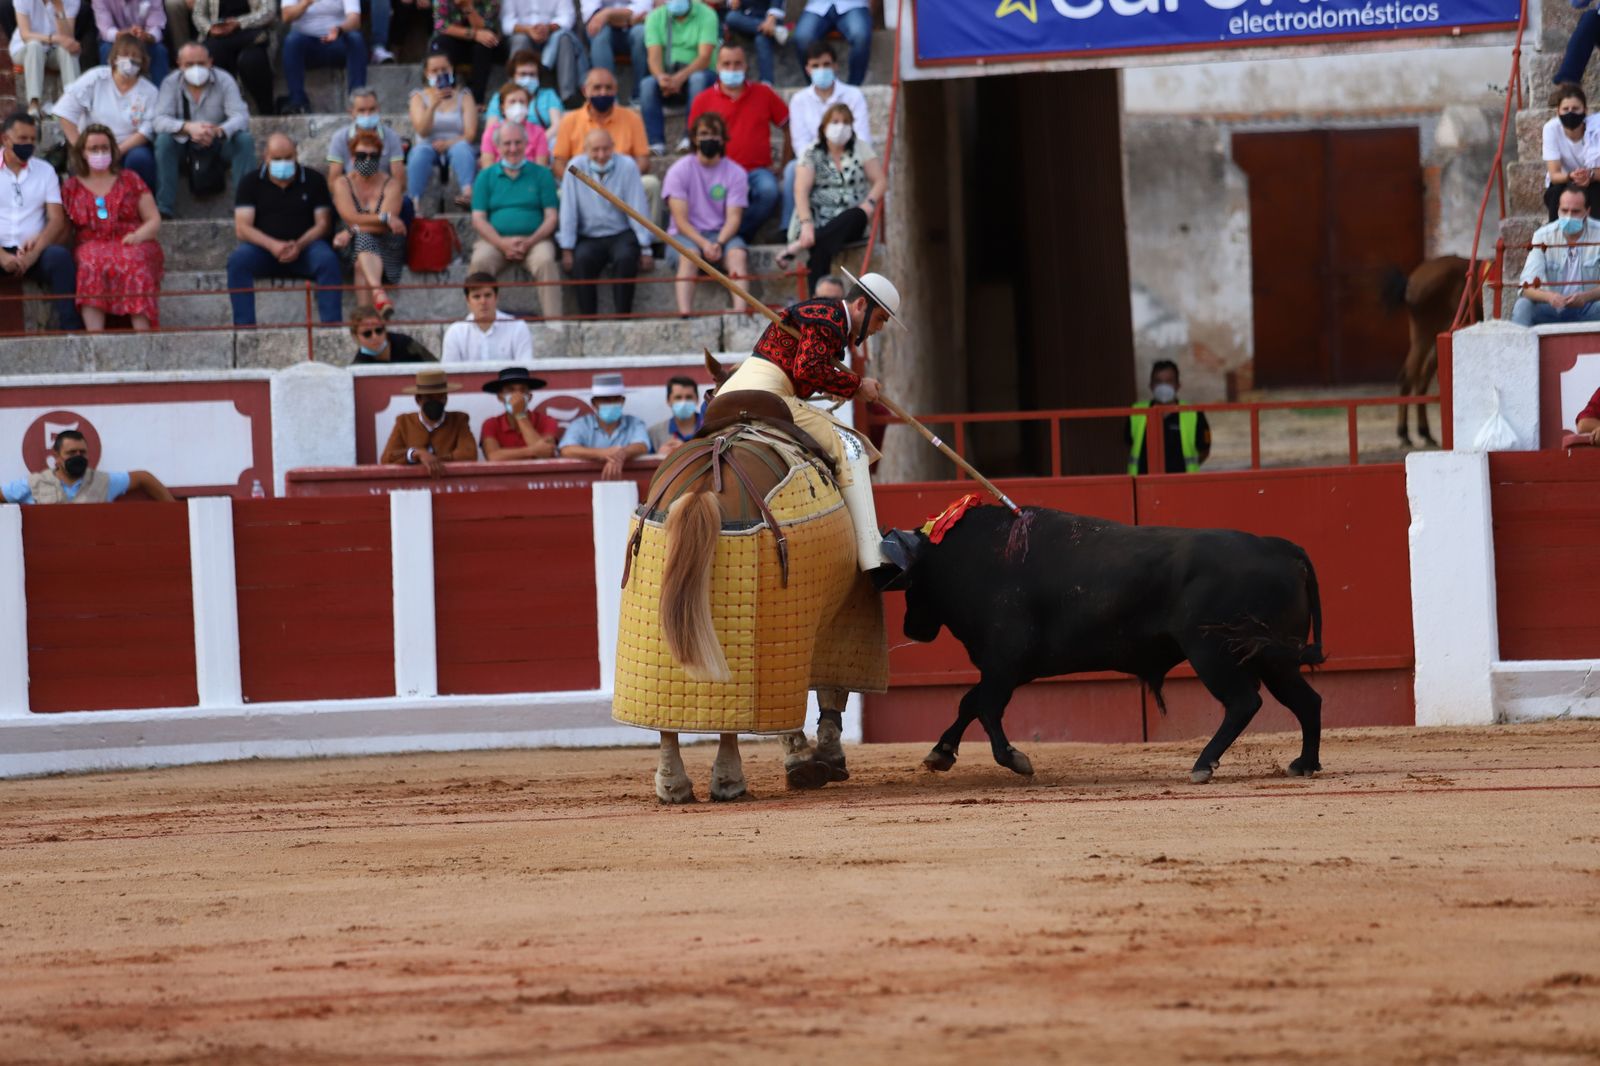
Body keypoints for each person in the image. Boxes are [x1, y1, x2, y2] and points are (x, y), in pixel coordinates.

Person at [715, 268, 898, 570]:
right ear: (861, 305)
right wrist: (856, 386)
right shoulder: (831, 320)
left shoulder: (823, 314)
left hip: (734, 390)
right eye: (880, 318)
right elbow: (807, 370)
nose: (879, 328)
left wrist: (837, 386)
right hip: (767, 394)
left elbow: (802, 371)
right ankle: (871, 552)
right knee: (850, 445)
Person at [227, 132, 342, 326]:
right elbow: (242, 228)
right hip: (263, 251)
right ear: (266, 157)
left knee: (327, 260)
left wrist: (298, 245)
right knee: (238, 262)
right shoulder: (250, 182)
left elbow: (323, 224)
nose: (283, 162)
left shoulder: (314, 180)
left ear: (296, 154)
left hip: (306, 249)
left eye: (288, 157)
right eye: (277, 158)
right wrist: (273, 245)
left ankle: (332, 327)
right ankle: (244, 328)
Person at [61, 125, 164, 331]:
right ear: (83, 152)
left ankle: (144, 335)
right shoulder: (71, 187)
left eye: (104, 148)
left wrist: (138, 236)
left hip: (132, 240)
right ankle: (95, 339)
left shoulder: (130, 180)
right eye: (94, 149)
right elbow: (64, 226)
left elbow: (153, 219)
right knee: (91, 262)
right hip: (91, 243)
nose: (100, 153)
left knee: (133, 260)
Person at [779, 102, 883, 291]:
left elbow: (880, 181)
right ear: (824, 126)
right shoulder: (812, 152)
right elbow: (800, 190)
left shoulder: (861, 148)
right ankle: (817, 304)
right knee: (821, 248)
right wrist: (806, 224)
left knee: (856, 214)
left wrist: (869, 202)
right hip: (820, 219)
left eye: (846, 122)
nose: (840, 126)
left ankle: (798, 247)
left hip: (852, 220)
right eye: (835, 121)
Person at [689, 44, 786, 240]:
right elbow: (694, 138)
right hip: (718, 171)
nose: (732, 69)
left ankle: (735, 234)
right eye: (726, 64)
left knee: (769, 191)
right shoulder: (702, 100)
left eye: (737, 64)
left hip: (756, 171)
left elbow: (788, 125)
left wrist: (784, 164)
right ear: (717, 66)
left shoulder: (764, 94)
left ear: (746, 66)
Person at [469, 121, 562, 321]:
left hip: (535, 240)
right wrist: (502, 243)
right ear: (497, 147)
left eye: (518, 143)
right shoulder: (485, 177)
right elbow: (478, 219)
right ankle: (479, 323)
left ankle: (556, 324)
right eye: (507, 143)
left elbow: (551, 217)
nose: (513, 149)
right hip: (495, 241)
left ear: (526, 144)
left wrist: (530, 241)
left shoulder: (542, 174)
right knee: (480, 262)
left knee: (546, 261)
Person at [0, 111, 82, 331]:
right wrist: (2, 256)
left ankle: (73, 332)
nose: (28, 144)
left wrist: (33, 254)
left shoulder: (45, 171)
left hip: (33, 251)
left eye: (32, 139)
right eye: (22, 139)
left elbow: (56, 219)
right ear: (5, 139)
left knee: (60, 258)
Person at [152, 42, 254, 218]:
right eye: (189, 64)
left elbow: (241, 116)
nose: (196, 69)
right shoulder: (170, 83)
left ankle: (245, 206)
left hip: (217, 143)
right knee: (163, 141)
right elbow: (158, 120)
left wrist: (218, 131)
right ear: (179, 64)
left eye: (201, 63)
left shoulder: (224, 80)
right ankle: (164, 207)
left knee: (244, 140)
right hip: (185, 145)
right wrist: (188, 127)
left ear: (210, 62)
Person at [558, 128, 652, 316]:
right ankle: (588, 319)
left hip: (620, 233)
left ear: (613, 147)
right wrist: (566, 248)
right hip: (589, 235)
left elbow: (637, 207)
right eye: (595, 150)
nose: (601, 155)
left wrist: (645, 247)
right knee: (582, 261)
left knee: (626, 258)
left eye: (605, 149)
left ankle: (623, 316)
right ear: (586, 150)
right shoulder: (575, 167)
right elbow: (568, 210)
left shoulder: (627, 165)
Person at [662, 111, 748, 316]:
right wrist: (703, 244)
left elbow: (734, 217)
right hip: (685, 236)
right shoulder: (678, 170)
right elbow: (680, 221)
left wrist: (718, 242)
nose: (709, 139)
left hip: (721, 234)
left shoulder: (736, 172)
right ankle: (685, 314)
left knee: (737, 254)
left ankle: (740, 313)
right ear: (694, 138)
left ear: (723, 138)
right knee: (690, 256)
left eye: (715, 134)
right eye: (704, 134)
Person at [53, 34, 160, 194]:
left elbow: (146, 129)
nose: (130, 61)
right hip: (92, 144)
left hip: (129, 147)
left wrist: (119, 150)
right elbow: (65, 112)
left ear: (143, 61)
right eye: (125, 55)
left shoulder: (150, 91)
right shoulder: (95, 78)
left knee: (140, 159)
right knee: (81, 164)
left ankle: (139, 206)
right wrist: (80, 147)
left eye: (135, 56)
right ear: (114, 57)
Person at [551, 66, 660, 221]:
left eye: (608, 88)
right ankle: (570, 243)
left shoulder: (632, 118)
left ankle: (651, 242)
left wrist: (622, 181)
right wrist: (583, 183)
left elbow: (643, 160)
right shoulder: (569, 121)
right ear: (584, 91)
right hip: (584, 184)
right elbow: (559, 164)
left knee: (651, 184)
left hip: (623, 184)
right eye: (597, 88)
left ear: (616, 90)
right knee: (560, 195)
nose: (603, 92)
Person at [783, 39, 868, 229]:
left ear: (836, 66)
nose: (821, 70)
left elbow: (862, 137)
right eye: (815, 65)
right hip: (813, 161)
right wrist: (821, 163)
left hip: (848, 158)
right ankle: (790, 229)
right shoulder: (799, 100)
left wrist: (838, 159)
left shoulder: (853, 96)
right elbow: (800, 143)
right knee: (792, 171)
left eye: (826, 64)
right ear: (807, 69)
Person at [331, 126, 408, 317]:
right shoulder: (342, 183)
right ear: (352, 157)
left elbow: (383, 227)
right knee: (363, 242)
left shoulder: (390, 184)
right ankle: (378, 295)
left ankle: (366, 316)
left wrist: (351, 230)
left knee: (361, 256)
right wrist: (383, 217)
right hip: (350, 244)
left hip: (384, 242)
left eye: (373, 156)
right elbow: (351, 216)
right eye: (361, 155)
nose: (367, 160)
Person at [2, 428, 175, 503]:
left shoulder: (104, 481)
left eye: (82, 452)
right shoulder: (33, 484)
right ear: (56, 457)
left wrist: (176, 514)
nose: (78, 457)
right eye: (71, 453)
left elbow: (143, 477)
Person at [1512, 186, 1600, 327]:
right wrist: (1550, 297)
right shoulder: (1543, 236)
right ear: (1558, 210)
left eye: (1576, 211)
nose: (1569, 216)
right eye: (1564, 210)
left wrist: (1585, 297)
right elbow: (1526, 287)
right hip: (1551, 308)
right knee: (1523, 306)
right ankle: (1518, 349)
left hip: (1589, 308)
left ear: (1587, 211)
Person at [640, 0, 716, 156]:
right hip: (668, 77)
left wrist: (680, 77)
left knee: (697, 79)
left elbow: (704, 57)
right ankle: (655, 143)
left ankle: (690, 137)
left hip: (700, 75)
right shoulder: (655, 17)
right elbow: (653, 57)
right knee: (647, 84)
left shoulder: (707, 14)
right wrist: (662, 78)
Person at [407, 46, 479, 208]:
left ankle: (468, 193)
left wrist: (447, 144)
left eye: (444, 69)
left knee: (463, 148)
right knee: (419, 152)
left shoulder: (465, 96)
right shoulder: (418, 97)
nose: (440, 74)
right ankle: (414, 201)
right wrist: (433, 105)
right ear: (427, 74)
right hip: (428, 144)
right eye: (434, 70)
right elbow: (422, 130)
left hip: (456, 143)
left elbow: (470, 134)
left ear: (451, 70)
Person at [380, 367, 477, 472]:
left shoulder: (459, 420)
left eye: (440, 397)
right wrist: (417, 453)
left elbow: (469, 454)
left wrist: (431, 459)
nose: (436, 402)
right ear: (418, 399)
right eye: (430, 398)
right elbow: (387, 458)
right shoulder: (404, 422)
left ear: (446, 399)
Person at [280, 0, 366, 115]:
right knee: (291, 41)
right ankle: (298, 102)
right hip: (307, 46)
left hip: (337, 42)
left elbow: (355, 20)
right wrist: (306, 3)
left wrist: (339, 29)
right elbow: (286, 16)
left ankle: (358, 100)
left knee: (355, 38)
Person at [1126, 360, 1211, 475]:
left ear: (1178, 385)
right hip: (1145, 485)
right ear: (1151, 385)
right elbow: (1129, 444)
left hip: (1181, 483)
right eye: (1158, 381)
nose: (1163, 386)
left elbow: (1204, 450)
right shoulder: (1136, 412)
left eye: (1169, 381)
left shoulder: (1193, 413)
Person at [559, 370, 649, 479]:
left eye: (615, 399)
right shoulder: (581, 424)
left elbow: (642, 446)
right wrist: (603, 453)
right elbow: (567, 450)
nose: (611, 403)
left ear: (622, 401)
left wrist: (621, 453)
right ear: (594, 403)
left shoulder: (635, 423)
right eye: (605, 400)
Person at [193, 0, 275, 115]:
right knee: (211, 54)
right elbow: (198, 14)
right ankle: (221, 113)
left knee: (252, 61)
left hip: (250, 32)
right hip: (219, 36)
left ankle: (267, 112)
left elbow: (269, 12)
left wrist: (238, 23)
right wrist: (209, 29)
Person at [499, 0, 584, 105]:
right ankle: (515, 93)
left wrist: (548, 28)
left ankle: (568, 97)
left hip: (552, 34)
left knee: (564, 39)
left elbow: (567, 18)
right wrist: (528, 30)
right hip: (522, 34)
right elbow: (507, 24)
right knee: (521, 40)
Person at [441, 271, 535, 360]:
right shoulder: (455, 333)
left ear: (496, 297)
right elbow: (449, 374)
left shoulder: (518, 327)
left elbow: (525, 370)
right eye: (476, 297)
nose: (483, 302)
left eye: (488, 295)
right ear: (468, 301)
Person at [12, 0, 82, 118]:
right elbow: (25, 35)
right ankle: (34, 103)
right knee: (34, 45)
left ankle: (73, 103)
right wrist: (53, 38)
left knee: (68, 50)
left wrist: (59, 7)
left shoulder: (72, 1)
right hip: (26, 50)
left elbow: (68, 39)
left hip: (54, 52)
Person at [325, 86, 406, 185]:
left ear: (378, 109)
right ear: (352, 112)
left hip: (384, 192)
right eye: (361, 110)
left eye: (372, 109)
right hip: (350, 192)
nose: (367, 115)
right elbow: (334, 179)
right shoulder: (340, 138)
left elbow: (398, 179)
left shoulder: (392, 137)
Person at [1543, 83, 1600, 222]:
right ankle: (1556, 238)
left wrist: (1589, 176)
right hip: (1565, 179)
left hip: (1592, 180)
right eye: (1565, 109)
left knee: (1597, 194)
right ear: (1558, 112)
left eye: (1575, 108)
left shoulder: (1596, 129)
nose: (1570, 113)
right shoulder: (1551, 129)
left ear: (1585, 110)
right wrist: (1571, 176)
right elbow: (1554, 174)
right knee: (1555, 194)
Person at [430, 0, 504, 104]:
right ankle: (446, 95)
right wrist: (474, 34)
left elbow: (486, 29)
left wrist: (468, 7)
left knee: (485, 44)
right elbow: (442, 26)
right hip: (454, 41)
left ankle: (477, 101)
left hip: (480, 44)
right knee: (441, 43)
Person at [479, 365, 560, 459]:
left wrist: (520, 415)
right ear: (500, 397)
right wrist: (533, 450)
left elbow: (545, 454)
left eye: (523, 390)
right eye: (510, 390)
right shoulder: (491, 424)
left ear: (529, 397)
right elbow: (493, 457)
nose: (517, 395)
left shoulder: (547, 421)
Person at [581, 0, 649, 104]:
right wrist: (627, 19)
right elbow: (592, 15)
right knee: (599, 33)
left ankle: (639, 97)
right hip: (604, 29)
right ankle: (608, 97)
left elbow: (643, 9)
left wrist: (607, 14)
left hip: (632, 29)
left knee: (641, 33)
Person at [791, 0, 870, 87]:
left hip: (853, 5)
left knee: (860, 36)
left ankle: (854, 87)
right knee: (802, 38)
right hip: (817, 6)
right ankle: (815, 88)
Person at [485, 47, 563, 130]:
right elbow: (491, 129)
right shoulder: (499, 96)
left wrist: (539, 141)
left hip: (544, 139)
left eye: (532, 74)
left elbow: (557, 125)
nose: (528, 78)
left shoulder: (548, 95)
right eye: (523, 74)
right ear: (513, 76)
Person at [94, 0, 170, 84]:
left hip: (143, 40)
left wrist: (147, 36)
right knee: (106, 50)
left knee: (159, 50)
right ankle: (107, 91)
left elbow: (156, 27)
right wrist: (124, 35)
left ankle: (162, 93)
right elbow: (106, 30)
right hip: (116, 40)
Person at [479, 81, 550, 168]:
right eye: (512, 102)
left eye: (522, 102)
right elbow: (487, 168)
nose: (518, 105)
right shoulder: (491, 132)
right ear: (502, 107)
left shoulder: (538, 132)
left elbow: (541, 169)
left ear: (528, 106)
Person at [722, 0, 784, 85]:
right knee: (731, 17)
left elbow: (776, 3)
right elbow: (731, 4)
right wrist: (732, 3)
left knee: (762, 39)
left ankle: (766, 83)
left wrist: (771, 19)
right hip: (744, 20)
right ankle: (774, 31)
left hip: (767, 19)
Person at [349, 303, 435, 361]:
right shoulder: (359, 367)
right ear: (355, 337)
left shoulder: (406, 343)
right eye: (367, 334)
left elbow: (435, 365)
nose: (375, 336)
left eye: (379, 330)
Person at [646, 374, 701, 454]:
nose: (683, 402)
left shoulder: (710, 428)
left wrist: (684, 450)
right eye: (678, 397)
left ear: (697, 399)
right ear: (668, 401)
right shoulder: (654, 433)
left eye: (688, 397)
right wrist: (659, 457)